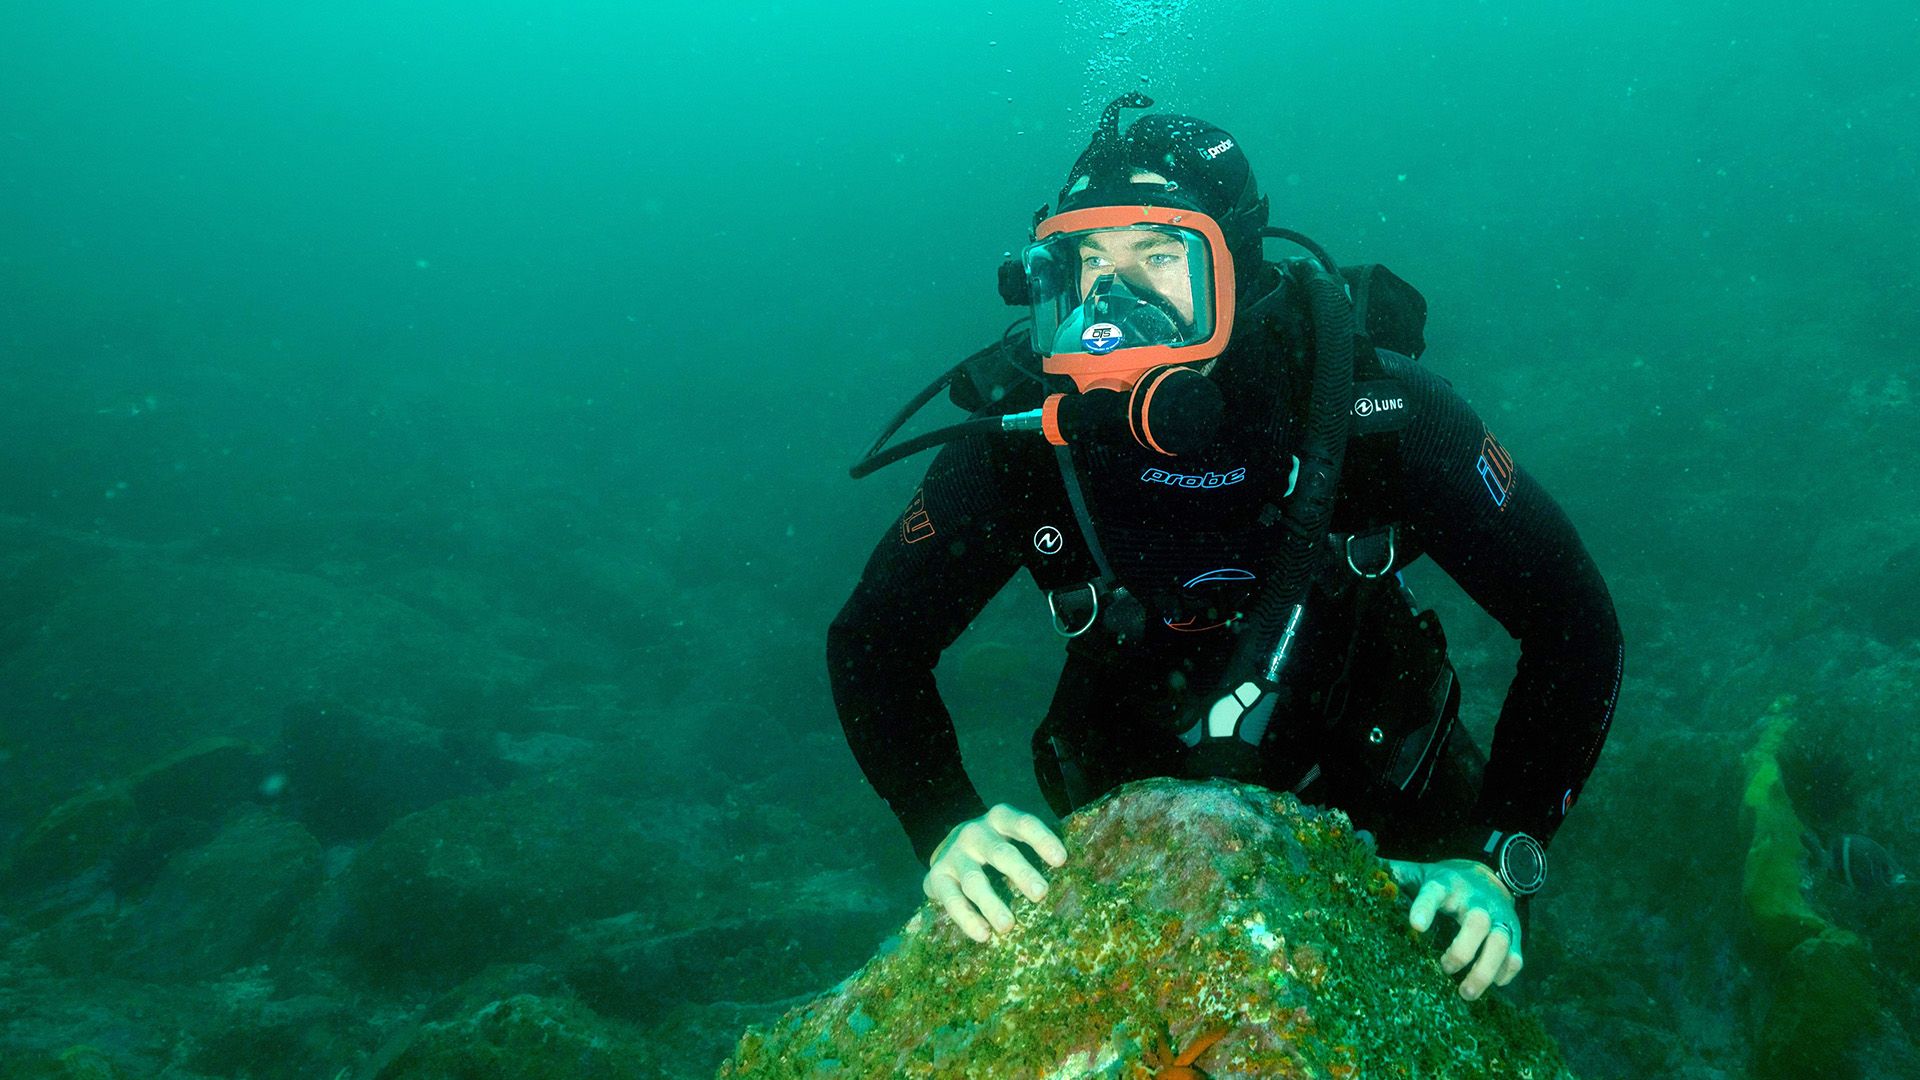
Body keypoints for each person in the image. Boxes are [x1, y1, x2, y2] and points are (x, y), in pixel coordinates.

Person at [827, 94, 1624, 1002]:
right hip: (1142, 818)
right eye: (1090, 261)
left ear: (1236, 267)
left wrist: (1496, 861)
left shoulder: (1377, 418)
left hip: (1400, 801)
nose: (1113, 305)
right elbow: (872, 642)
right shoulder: (1023, 448)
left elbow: (1575, 626)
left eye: (1160, 257)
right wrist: (942, 823)